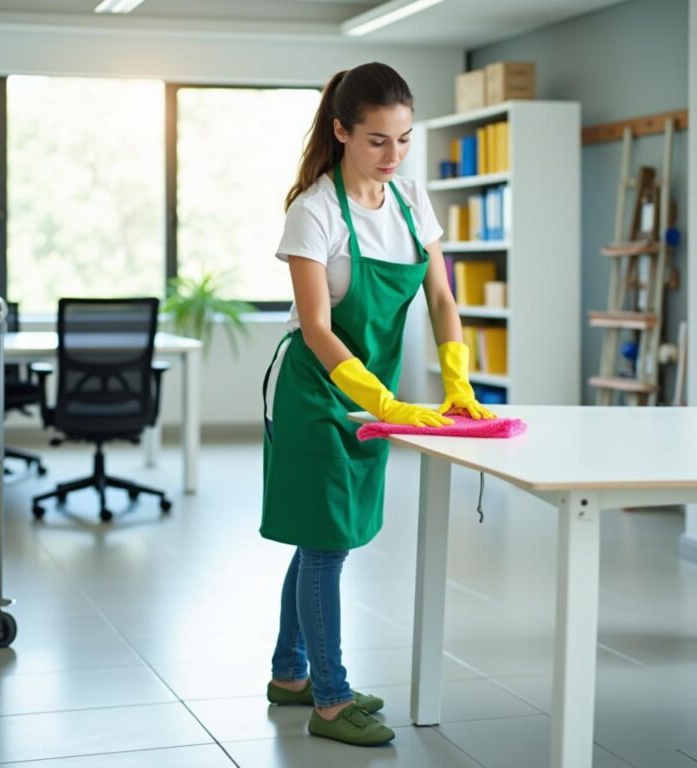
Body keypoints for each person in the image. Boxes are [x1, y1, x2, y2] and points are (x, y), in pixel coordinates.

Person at [260, 62, 493, 747]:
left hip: (372, 399)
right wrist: (382, 398)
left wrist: (458, 382)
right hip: (316, 395)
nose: (393, 156)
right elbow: (316, 329)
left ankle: (290, 672)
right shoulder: (314, 212)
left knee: (320, 537)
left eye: (404, 140)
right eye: (377, 141)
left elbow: (443, 299)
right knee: (328, 546)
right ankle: (329, 700)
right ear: (341, 132)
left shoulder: (412, 201)